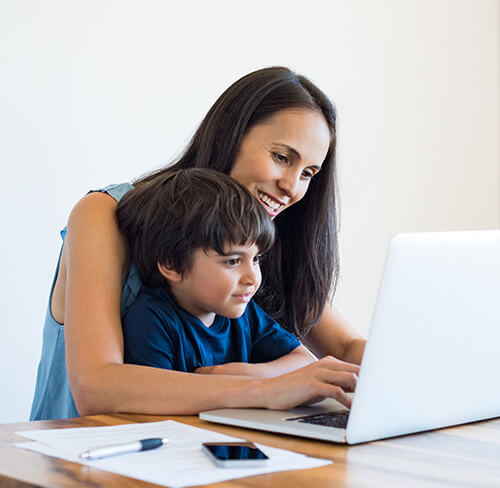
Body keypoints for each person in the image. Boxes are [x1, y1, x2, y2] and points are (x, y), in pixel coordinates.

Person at [30, 66, 365, 421]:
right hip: (76, 463)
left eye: (308, 174)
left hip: (187, 457)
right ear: (229, 136)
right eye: (282, 157)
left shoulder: (261, 240)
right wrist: (266, 389)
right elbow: (96, 387)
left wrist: (415, 370)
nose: (293, 188)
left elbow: (343, 348)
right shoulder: (106, 214)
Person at [117, 168, 316, 383]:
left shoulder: (244, 312)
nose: (252, 278)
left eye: (256, 259)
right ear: (172, 264)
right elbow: (153, 397)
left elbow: (304, 361)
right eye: (233, 261)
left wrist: (249, 375)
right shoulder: (151, 319)